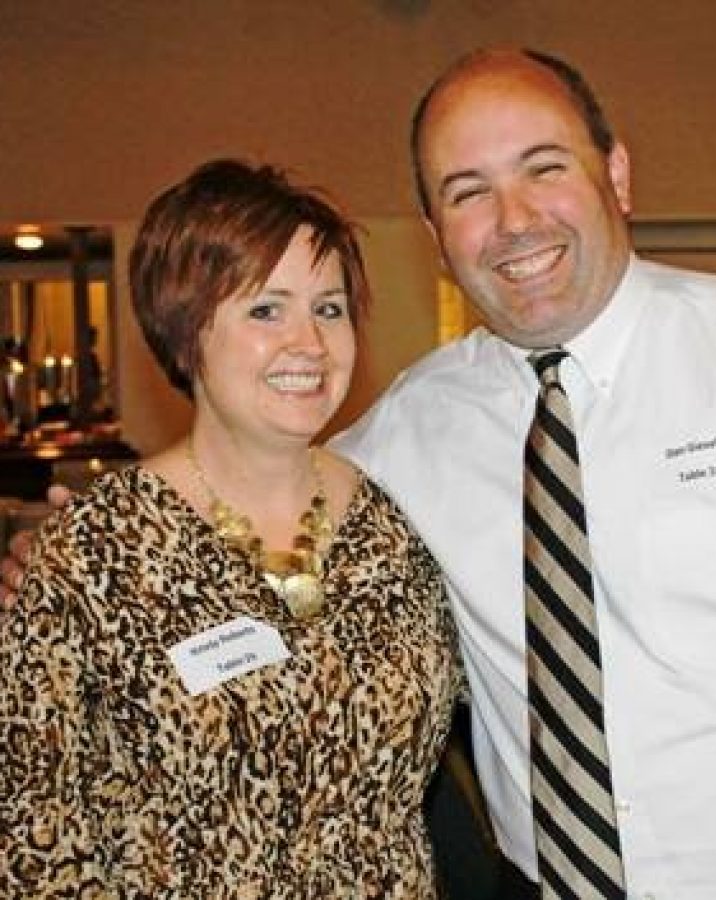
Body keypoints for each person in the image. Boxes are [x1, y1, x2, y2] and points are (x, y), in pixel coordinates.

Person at [5, 47, 716, 899]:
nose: (513, 221)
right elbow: (249, 495)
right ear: (437, 236)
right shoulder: (410, 429)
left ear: (617, 177)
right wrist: (76, 554)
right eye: (468, 192)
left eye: (544, 167)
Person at [0, 159, 462, 898]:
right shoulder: (92, 553)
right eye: (266, 309)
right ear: (185, 332)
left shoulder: (398, 528)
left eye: (331, 308)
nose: (309, 342)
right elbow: (31, 837)